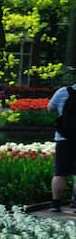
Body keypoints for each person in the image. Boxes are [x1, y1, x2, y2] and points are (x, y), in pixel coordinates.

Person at [50, 81, 76, 211]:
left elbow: (50, 108)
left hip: (63, 137)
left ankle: (56, 204)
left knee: (60, 173)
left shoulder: (63, 91)